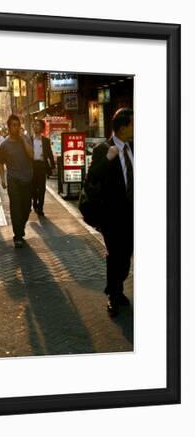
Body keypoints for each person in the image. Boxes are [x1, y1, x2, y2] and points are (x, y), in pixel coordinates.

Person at [88, 108, 134, 317]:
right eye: (134, 124)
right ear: (123, 127)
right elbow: (92, 178)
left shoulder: (134, 146)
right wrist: (108, 158)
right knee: (115, 255)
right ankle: (114, 296)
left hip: (133, 213)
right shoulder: (103, 149)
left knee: (126, 256)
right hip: (112, 214)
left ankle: (115, 287)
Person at [0, 115, 34, 248]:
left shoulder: (26, 139)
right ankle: (18, 236)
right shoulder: (4, 145)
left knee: (27, 207)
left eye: (17, 125)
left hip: (27, 178)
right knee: (15, 208)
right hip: (13, 180)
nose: (16, 127)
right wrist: (2, 179)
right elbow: (0, 163)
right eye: (13, 125)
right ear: (8, 127)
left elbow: (31, 155)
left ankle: (21, 227)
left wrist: (23, 140)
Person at [30, 119, 55, 216]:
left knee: (42, 188)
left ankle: (40, 208)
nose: (36, 126)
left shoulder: (46, 141)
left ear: (42, 128)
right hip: (32, 166)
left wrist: (52, 165)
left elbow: (49, 153)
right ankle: (34, 202)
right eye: (35, 125)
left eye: (38, 125)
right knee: (33, 188)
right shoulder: (29, 139)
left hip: (42, 166)